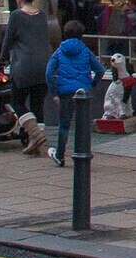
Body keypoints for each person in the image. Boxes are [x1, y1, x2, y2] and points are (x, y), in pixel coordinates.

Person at [0, 0, 53, 155]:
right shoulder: (42, 16)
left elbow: (8, 40)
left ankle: (34, 135)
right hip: (44, 65)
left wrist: (2, 60)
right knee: (38, 104)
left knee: (17, 102)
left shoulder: (16, 16)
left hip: (24, 66)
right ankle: (36, 144)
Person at [44, 21, 107, 166]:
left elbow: (49, 73)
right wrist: (92, 84)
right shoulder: (85, 51)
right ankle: (83, 153)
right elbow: (100, 70)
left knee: (64, 124)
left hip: (65, 92)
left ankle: (60, 155)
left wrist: (54, 92)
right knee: (83, 124)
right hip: (83, 92)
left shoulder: (60, 51)